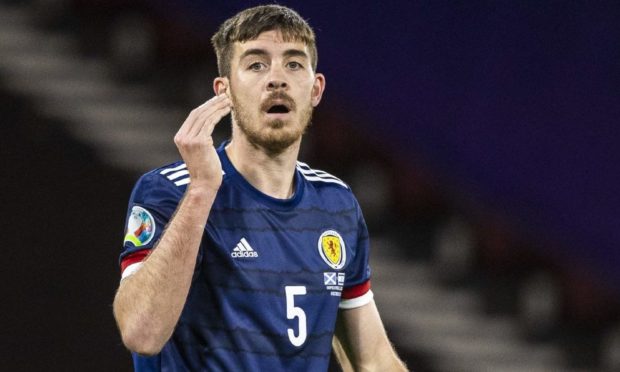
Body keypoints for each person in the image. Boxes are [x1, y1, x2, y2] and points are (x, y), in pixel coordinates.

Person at [113, 4, 407, 371]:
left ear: (315, 90)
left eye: (294, 64)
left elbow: (373, 361)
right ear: (225, 92)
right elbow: (142, 333)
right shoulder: (169, 192)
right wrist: (203, 190)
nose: (277, 79)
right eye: (256, 64)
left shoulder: (336, 204)